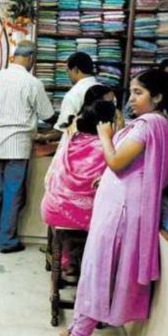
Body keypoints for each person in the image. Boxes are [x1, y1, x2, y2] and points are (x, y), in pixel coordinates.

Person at [41, 69, 168, 336]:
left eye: (139, 93)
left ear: (158, 96)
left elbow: (115, 160)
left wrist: (106, 136)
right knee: (93, 268)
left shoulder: (148, 125)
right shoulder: (153, 124)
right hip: (117, 207)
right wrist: (109, 178)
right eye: (131, 92)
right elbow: (134, 166)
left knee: (99, 272)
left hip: (122, 213)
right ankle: (77, 327)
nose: (132, 99)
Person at [0, 40, 55, 253]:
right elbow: (48, 116)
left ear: (14, 56)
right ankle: (7, 241)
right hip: (18, 145)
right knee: (13, 194)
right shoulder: (33, 83)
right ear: (31, 58)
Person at [41, 85, 118, 273]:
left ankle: (69, 258)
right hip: (85, 216)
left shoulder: (71, 139)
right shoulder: (108, 148)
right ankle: (89, 264)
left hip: (52, 210)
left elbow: (52, 177)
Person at [53, 52, 99, 132]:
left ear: (75, 69)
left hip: (79, 142)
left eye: (68, 70)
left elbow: (64, 127)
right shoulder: (106, 90)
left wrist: (44, 137)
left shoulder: (74, 93)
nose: (68, 74)